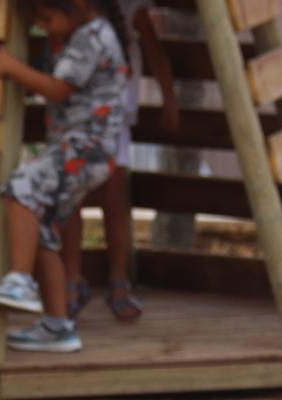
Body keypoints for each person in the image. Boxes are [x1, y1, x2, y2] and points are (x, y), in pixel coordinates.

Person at [0, 0, 129, 353]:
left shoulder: (93, 36)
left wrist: (10, 66)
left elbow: (59, 88)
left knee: (21, 188)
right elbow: (48, 77)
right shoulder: (78, 34)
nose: (42, 27)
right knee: (40, 226)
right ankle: (58, 326)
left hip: (83, 148)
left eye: (46, 18)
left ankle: (19, 282)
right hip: (79, 149)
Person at [59, 0, 180, 322]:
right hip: (75, 117)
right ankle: (71, 281)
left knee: (114, 200)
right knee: (71, 202)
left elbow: (155, 54)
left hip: (114, 121)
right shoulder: (69, 8)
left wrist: (169, 99)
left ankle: (118, 282)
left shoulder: (131, 9)